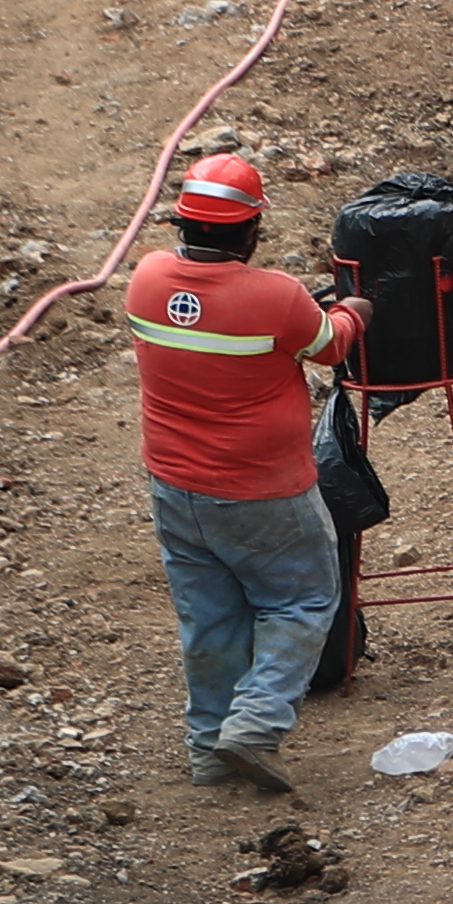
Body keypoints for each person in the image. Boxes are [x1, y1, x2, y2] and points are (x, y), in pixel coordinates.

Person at [122, 152, 370, 797]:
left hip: (175, 489)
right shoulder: (274, 295)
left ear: (184, 222)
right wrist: (353, 312)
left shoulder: (146, 279)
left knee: (209, 618)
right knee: (304, 600)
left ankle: (208, 752)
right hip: (265, 490)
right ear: (249, 230)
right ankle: (255, 724)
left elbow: (216, 324)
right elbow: (329, 347)